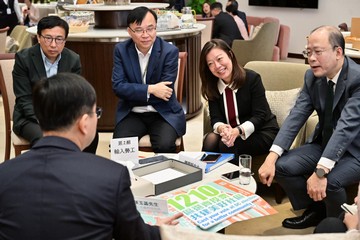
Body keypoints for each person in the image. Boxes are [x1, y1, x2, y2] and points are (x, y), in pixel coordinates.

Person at [0, 72, 183, 239]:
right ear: (84, 123)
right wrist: (157, 231)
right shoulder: (111, 176)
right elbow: (135, 237)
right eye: (97, 113)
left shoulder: (4, 173)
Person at [258, 25, 360, 229]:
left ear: (338, 52)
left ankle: (336, 227)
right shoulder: (312, 77)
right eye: (308, 52)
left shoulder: (357, 79)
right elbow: (296, 116)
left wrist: (320, 173)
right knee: (281, 167)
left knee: (330, 182)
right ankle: (316, 209)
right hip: (324, 143)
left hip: (354, 150)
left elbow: (345, 129)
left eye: (317, 52)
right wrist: (271, 158)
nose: (311, 58)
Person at [12, 15, 98, 153]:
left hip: (63, 117)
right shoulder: (24, 59)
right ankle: (49, 173)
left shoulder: (73, 59)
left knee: (91, 135)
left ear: (65, 41)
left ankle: (79, 172)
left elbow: (75, 97)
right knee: (44, 139)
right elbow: (24, 100)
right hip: (30, 117)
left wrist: (66, 120)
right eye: (48, 38)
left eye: (59, 39)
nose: (53, 44)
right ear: (39, 37)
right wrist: (48, 122)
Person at [112, 6, 186, 153]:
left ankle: (164, 176)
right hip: (132, 112)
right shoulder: (121, 50)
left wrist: (133, 91)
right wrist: (151, 89)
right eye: (139, 30)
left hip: (163, 113)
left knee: (164, 145)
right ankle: (128, 176)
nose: (146, 35)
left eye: (150, 28)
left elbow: (165, 92)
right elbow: (118, 87)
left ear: (156, 29)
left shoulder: (169, 52)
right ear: (129, 32)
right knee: (121, 146)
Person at [199, 39, 279, 165]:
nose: (217, 66)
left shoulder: (252, 79)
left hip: (262, 132)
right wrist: (222, 128)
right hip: (232, 133)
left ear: (230, 55)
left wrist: (237, 131)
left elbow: (260, 116)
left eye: (219, 59)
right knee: (211, 139)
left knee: (227, 144)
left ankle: (233, 181)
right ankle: (205, 177)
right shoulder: (212, 86)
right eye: (210, 64)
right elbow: (215, 118)